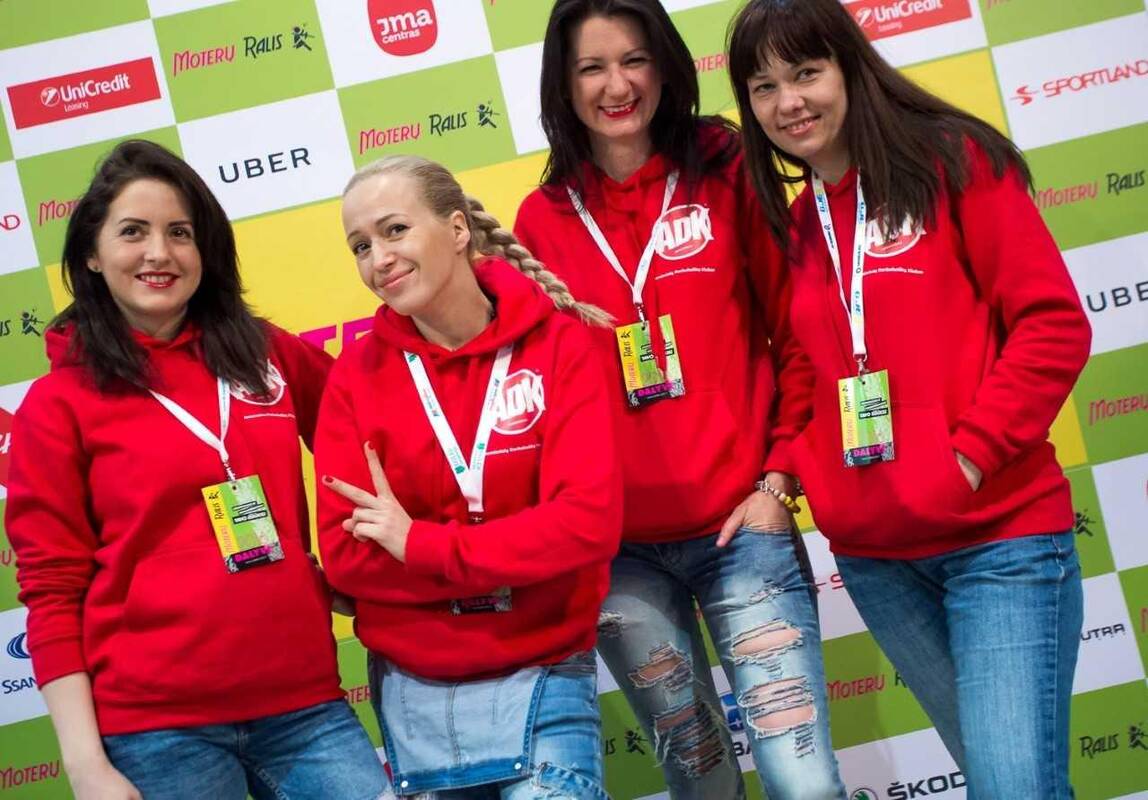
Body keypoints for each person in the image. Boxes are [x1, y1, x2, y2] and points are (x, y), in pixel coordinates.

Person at [727, 2, 1092, 797]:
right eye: (764, 87)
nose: (789, 102)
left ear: (850, 67)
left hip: (997, 542)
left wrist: (967, 460)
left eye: (806, 73)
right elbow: (805, 369)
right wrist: (791, 476)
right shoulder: (800, 222)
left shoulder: (951, 163)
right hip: (879, 561)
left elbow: (1053, 326)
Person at [513, 2, 846, 798]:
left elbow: (799, 335)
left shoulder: (727, 167)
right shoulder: (543, 218)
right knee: (701, 783)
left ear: (664, 65)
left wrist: (779, 481)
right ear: (563, 84)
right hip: (622, 558)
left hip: (743, 530)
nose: (617, 86)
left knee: (803, 781)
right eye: (591, 68)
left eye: (634, 60)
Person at [4, 140, 386, 800]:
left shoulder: (265, 355)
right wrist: (86, 765)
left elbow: (375, 440)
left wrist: (360, 570)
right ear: (92, 253)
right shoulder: (58, 404)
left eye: (179, 233)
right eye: (133, 232)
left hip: (304, 704)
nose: (160, 253)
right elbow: (51, 589)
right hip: (157, 731)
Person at [317, 154, 622, 800]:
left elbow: (586, 524)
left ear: (457, 229)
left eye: (395, 230)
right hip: (416, 692)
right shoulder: (355, 376)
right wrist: (516, 554)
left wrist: (419, 544)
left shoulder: (558, 347)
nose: (379, 259)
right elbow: (348, 558)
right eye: (360, 246)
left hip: (544, 670)